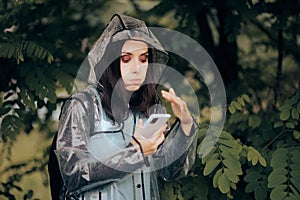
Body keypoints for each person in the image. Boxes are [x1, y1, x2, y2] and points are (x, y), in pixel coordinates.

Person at [53, 14, 199, 200]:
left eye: (144, 59)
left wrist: (185, 126)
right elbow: (74, 175)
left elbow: (169, 171)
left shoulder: (150, 107)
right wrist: (135, 151)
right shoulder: (83, 105)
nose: (137, 68)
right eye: (126, 59)